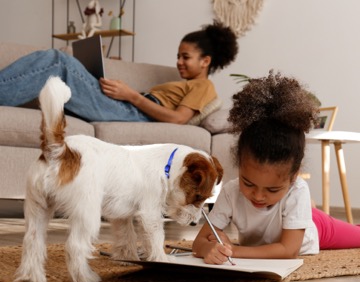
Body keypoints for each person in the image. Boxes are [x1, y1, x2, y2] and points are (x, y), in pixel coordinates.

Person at [192, 71, 360, 264]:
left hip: (316, 226)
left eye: (272, 189)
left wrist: (234, 251)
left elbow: (288, 251)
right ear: (239, 166)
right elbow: (198, 243)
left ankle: (309, 211)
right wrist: (211, 248)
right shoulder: (231, 192)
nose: (258, 196)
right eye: (248, 183)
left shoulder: (297, 191)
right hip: (291, 214)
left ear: (294, 177)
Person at [0, 21, 238, 123]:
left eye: (186, 57)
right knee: (59, 63)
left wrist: (131, 95)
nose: (179, 62)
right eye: (178, 56)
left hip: (133, 111)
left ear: (206, 61)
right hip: (128, 106)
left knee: (58, 61)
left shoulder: (204, 87)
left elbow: (179, 119)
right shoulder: (183, 83)